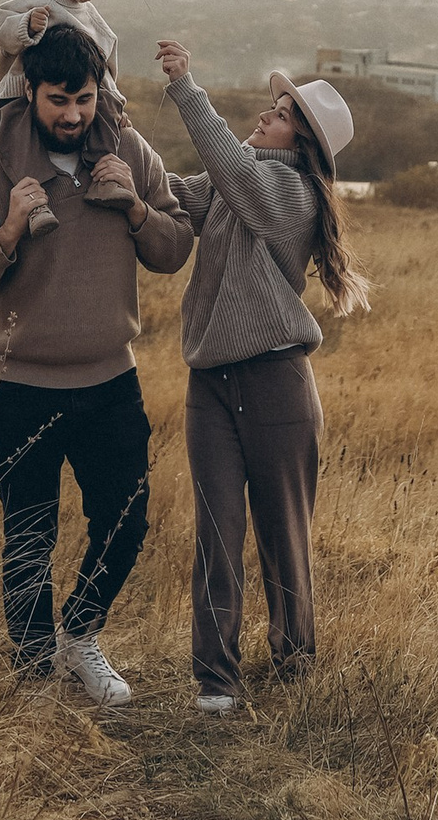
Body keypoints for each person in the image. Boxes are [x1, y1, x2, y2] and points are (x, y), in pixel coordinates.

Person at [0, 19, 194, 704]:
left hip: (111, 380)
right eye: (58, 100)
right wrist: (10, 230)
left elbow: (173, 250)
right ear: (30, 91)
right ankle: (33, 675)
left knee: (126, 521)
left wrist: (135, 207)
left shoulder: (129, 152)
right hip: (18, 388)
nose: (73, 114)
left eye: (84, 99)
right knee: (29, 535)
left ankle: (80, 635)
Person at [155, 43, 369, 717]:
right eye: (272, 107)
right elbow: (169, 190)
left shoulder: (290, 195)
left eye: (280, 115)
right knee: (215, 534)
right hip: (211, 385)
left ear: (301, 144)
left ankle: (294, 666)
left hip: (277, 383)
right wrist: (113, 123)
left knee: (283, 537)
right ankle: (216, 681)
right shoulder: (236, 181)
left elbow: (231, 172)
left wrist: (186, 87)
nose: (265, 116)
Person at [0, 0, 124, 228]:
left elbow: (105, 55)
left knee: (106, 121)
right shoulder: (37, 0)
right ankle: (34, 204)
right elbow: (2, 29)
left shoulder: (90, 15)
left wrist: (114, 102)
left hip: (78, 93)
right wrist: (26, 25)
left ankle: (105, 179)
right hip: (21, 96)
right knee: (19, 142)